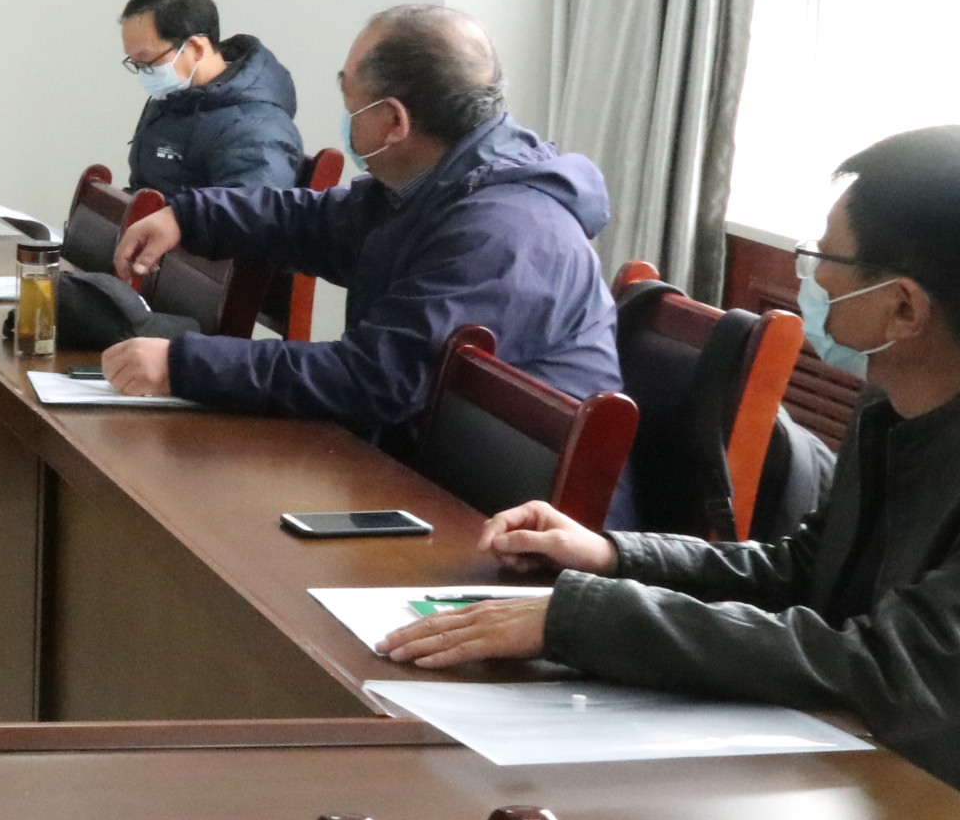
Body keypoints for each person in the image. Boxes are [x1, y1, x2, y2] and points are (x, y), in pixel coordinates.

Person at [379, 126, 960, 783]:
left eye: (824, 256)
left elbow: (889, 668)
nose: (813, 274)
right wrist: (612, 556)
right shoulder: (888, 408)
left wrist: (583, 618)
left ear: (904, 308)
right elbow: (803, 571)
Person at [102, 5, 620, 459]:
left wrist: (184, 364)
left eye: (352, 106)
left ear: (394, 121)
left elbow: (375, 378)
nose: (347, 121)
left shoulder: (501, 232)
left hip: (500, 515)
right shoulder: (433, 184)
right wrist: (190, 216)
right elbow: (311, 222)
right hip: (422, 468)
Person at [116, 0, 307, 192]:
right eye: (136, 63)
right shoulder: (173, 103)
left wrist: (174, 211)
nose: (144, 72)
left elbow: (251, 206)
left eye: (148, 60)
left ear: (196, 48)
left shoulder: (255, 129)